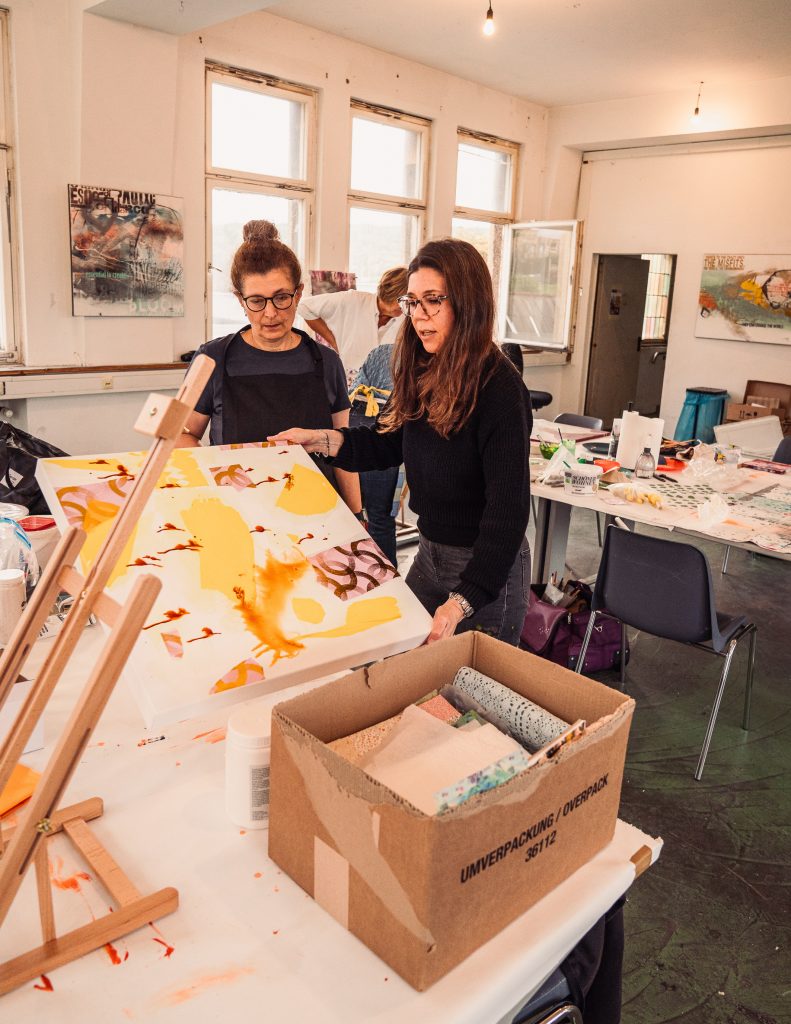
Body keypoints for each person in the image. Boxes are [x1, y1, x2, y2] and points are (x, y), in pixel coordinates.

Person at [271, 238, 532, 645]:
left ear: (468, 302)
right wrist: (318, 440)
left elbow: (508, 513)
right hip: (430, 556)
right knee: (405, 667)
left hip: (487, 571)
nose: (420, 317)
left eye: (433, 301)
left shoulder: (500, 389)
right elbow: (389, 441)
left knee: (470, 700)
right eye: (413, 303)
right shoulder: (424, 365)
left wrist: (463, 601)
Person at [177, 220, 362, 520]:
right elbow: (180, 435)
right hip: (239, 513)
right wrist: (217, 471)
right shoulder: (212, 358)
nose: (271, 313)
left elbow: (343, 447)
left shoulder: (326, 362)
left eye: (281, 297)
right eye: (257, 301)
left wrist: (358, 514)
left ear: (298, 293)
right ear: (240, 299)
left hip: (321, 516)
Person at [297, 267, 407, 383]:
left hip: (386, 386)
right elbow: (304, 307)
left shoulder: (408, 314)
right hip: (349, 381)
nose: (403, 308)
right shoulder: (352, 300)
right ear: (391, 295)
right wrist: (334, 342)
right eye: (400, 303)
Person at [347, 342, 400, 566]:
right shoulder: (430, 358)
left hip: (359, 437)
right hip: (391, 440)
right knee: (380, 518)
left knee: (354, 514)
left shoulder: (382, 351)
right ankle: (389, 582)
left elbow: (354, 393)